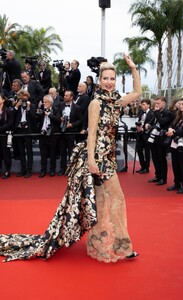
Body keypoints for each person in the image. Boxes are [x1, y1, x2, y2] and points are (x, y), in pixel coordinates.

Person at [0, 53, 141, 263]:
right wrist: (92, 162)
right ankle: (122, 246)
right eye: (106, 78)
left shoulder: (116, 102)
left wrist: (132, 67)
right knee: (117, 199)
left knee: (101, 202)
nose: (110, 82)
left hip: (109, 157)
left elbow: (138, 91)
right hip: (98, 160)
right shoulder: (96, 104)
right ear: (100, 80)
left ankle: (100, 244)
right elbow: (91, 133)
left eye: (112, 78)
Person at [166, 97, 183, 194]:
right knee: (175, 165)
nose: (181, 106)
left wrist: (174, 132)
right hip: (175, 143)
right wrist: (170, 129)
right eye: (180, 104)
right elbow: (171, 125)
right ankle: (177, 184)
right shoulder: (178, 115)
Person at [147, 96, 174, 185]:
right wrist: (148, 125)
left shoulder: (168, 113)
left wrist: (157, 112)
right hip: (154, 138)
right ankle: (157, 175)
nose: (156, 105)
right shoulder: (156, 112)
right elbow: (152, 122)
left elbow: (162, 122)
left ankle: (163, 178)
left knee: (161, 159)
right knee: (155, 158)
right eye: (156, 103)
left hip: (162, 138)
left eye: (158, 103)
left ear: (164, 103)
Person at [135, 99, 154, 174]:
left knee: (147, 152)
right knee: (139, 150)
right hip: (140, 134)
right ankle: (142, 166)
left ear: (148, 105)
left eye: (144, 104)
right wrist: (137, 126)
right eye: (142, 104)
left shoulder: (152, 114)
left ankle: (146, 167)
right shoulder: (140, 112)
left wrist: (143, 129)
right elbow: (139, 120)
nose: (142, 106)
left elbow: (152, 125)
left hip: (147, 135)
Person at [0, 93, 14, 179]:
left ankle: (7, 170)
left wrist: (0, 128)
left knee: (6, 153)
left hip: (5, 135)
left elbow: (10, 123)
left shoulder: (8, 110)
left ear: (3, 100)